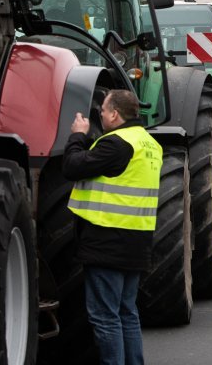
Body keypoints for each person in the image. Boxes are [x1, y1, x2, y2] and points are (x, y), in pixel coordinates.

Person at [63, 89, 163, 363]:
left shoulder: (116, 144)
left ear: (115, 114)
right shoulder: (149, 144)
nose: (101, 116)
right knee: (126, 312)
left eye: (103, 111)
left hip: (107, 242)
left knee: (105, 317)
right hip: (137, 242)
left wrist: (78, 136)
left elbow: (72, 166)